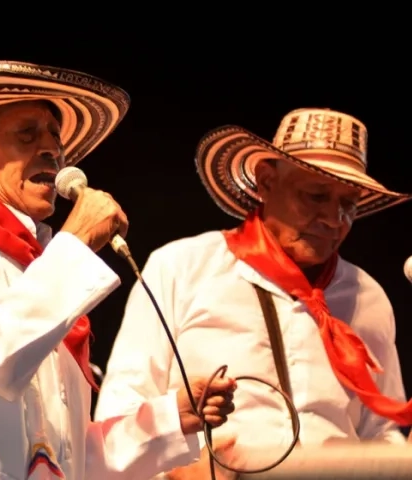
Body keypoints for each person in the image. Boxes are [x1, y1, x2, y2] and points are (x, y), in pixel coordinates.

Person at [0, 60, 236, 480]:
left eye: (55, 137)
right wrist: (78, 241)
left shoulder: (40, 278)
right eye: (27, 134)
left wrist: (170, 419)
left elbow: (61, 459)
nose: (52, 149)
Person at [96, 108, 412, 479]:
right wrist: (170, 473)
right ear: (265, 181)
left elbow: (380, 432)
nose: (333, 219)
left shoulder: (367, 296)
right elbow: (119, 414)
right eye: (315, 195)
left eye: (348, 203)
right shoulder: (182, 267)